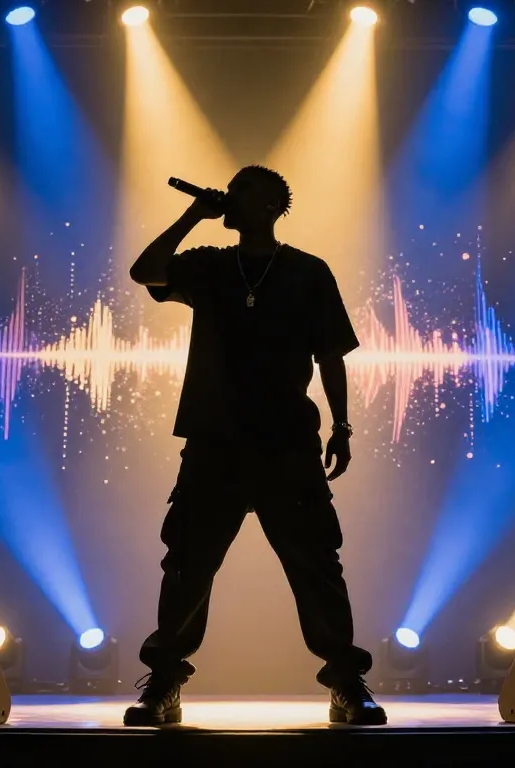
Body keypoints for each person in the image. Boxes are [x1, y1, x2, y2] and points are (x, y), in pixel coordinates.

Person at [124, 165, 385, 726]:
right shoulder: (211, 265)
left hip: (286, 442)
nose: (230, 194)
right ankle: (165, 681)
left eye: (242, 189)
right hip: (214, 440)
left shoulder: (307, 271)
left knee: (316, 563)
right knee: (188, 563)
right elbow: (144, 271)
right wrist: (193, 216)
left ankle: (345, 680)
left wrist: (342, 428)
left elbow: (330, 354)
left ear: (270, 205)